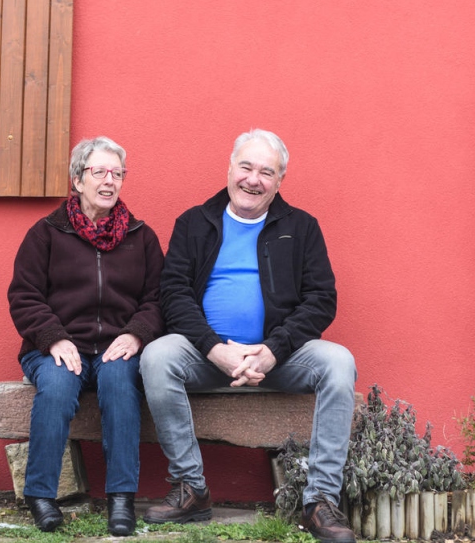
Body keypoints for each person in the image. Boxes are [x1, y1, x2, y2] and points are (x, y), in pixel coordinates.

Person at [140, 129, 358, 543]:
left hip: (279, 357)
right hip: (206, 354)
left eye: (266, 172)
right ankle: (191, 489)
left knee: (338, 361)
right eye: (246, 167)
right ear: (229, 169)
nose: (253, 179)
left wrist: (273, 351)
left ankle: (321, 500)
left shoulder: (302, 226)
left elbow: (321, 299)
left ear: (279, 182)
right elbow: (174, 294)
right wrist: (214, 348)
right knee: (156, 356)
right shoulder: (194, 223)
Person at [7, 136, 164, 536]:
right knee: (57, 386)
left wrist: (136, 335)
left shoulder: (141, 237)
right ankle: (41, 495)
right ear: (78, 180)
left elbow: (158, 299)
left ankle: (121, 499)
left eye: (117, 173)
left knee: (119, 384)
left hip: (116, 346)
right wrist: (54, 338)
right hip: (54, 346)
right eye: (99, 172)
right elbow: (24, 296)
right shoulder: (45, 233)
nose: (109, 181)